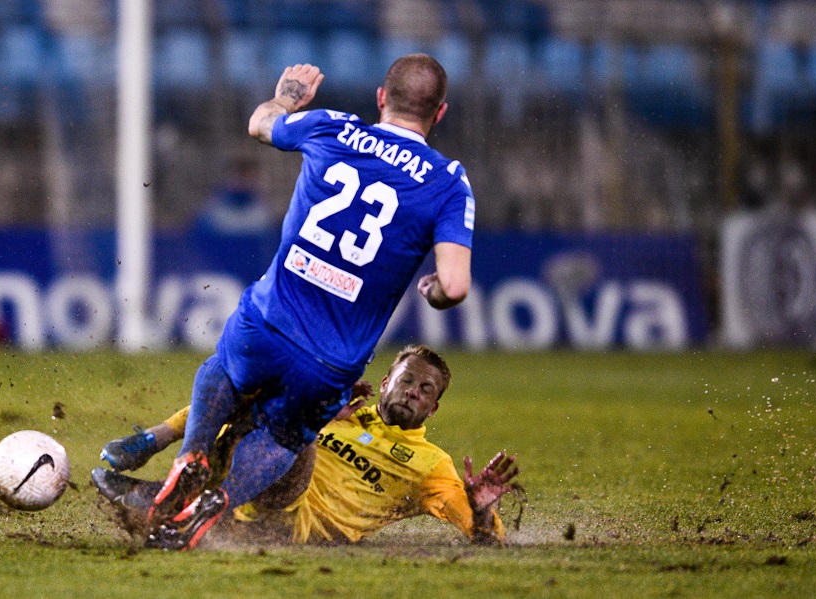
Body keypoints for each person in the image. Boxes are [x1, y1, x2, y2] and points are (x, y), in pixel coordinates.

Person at [144, 54, 476, 550]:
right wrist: (433, 292)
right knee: (285, 438)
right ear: (440, 113)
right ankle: (220, 500)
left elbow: (260, 123)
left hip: (267, 319)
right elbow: (454, 285)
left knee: (223, 371)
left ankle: (192, 458)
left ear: (381, 98)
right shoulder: (448, 181)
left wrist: (286, 96)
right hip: (329, 359)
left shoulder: (334, 127)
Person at [95, 346, 519, 546]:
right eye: (407, 380)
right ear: (386, 382)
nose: (413, 392)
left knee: (298, 420)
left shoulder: (430, 465)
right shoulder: (347, 413)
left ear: (434, 409)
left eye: (425, 390)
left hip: (294, 527)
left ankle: (161, 495)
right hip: (251, 488)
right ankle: (156, 445)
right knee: (265, 385)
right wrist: (324, 404)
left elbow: (484, 538)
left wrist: (481, 509)